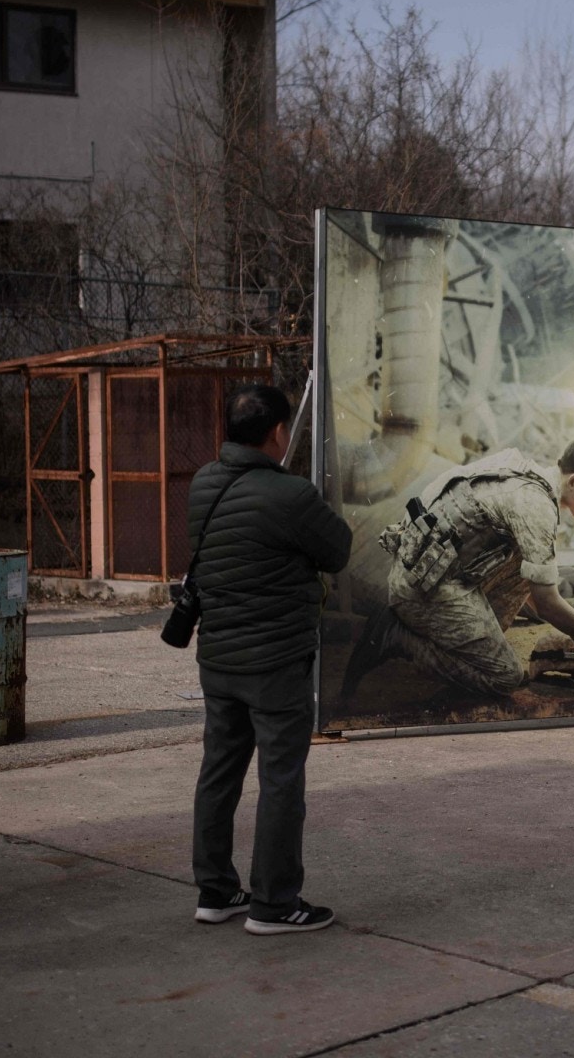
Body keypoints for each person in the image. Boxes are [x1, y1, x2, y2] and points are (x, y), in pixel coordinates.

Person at [187, 383, 352, 936]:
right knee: (280, 779)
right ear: (279, 432)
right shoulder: (290, 494)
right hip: (277, 662)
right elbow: (338, 549)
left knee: (218, 773)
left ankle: (216, 893)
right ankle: (274, 904)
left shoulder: (203, 483)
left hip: (218, 658)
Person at [340, 439, 574, 702]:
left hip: (436, 574)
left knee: (532, 562)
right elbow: (547, 602)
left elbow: (533, 587)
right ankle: (398, 637)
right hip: (423, 588)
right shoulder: (534, 503)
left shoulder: (521, 471)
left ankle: (468, 650)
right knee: (504, 678)